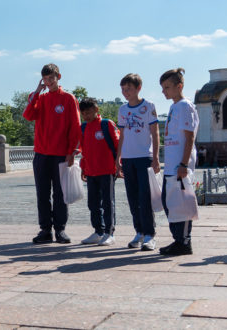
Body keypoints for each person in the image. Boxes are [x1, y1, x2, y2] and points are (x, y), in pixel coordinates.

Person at [22, 63, 81, 244]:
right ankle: (45, 230)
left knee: (60, 194)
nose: (48, 82)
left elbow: (75, 127)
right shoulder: (40, 98)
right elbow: (28, 115)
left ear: (58, 77)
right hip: (41, 154)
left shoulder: (69, 98)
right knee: (42, 194)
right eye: (45, 79)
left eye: (51, 78)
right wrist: (37, 92)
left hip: (61, 154)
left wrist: (73, 151)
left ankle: (60, 230)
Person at [115, 73, 161, 251]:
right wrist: (118, 158)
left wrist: (156, 157)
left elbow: (155, 132)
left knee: (145, 197)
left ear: (138, 88)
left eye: (129, 89)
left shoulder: (148, 106)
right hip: (127, 158)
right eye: (123, 90)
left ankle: (150, 234)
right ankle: (139, 231)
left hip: (144, 157)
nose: (126, 93)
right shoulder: (123, 110)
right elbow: (122, 135)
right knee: (133, 198)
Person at [159, 68, 198, 256]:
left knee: (180, 204)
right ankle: (178, 240)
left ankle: (184, 242)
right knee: (170, 203)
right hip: (172, 165)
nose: (163, 91)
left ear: (179, 86)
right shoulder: (174, 106)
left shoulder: (184, 106)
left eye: (167, 87)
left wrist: (184, 164)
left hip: (179, 166)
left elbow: (189, 137)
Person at [78, 98, 119, 246]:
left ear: (96, 110)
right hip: (90, 171)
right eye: (83, 113)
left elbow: (118, 145)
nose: (86, 116)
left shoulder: (106, 124)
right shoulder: (83, 128)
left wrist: (119, 165)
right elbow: (83, 150)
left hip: (107, 170)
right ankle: (98, 231)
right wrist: (83, 167)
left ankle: (109, 232)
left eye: (89, 112)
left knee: (108, 203)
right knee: (93, 203)